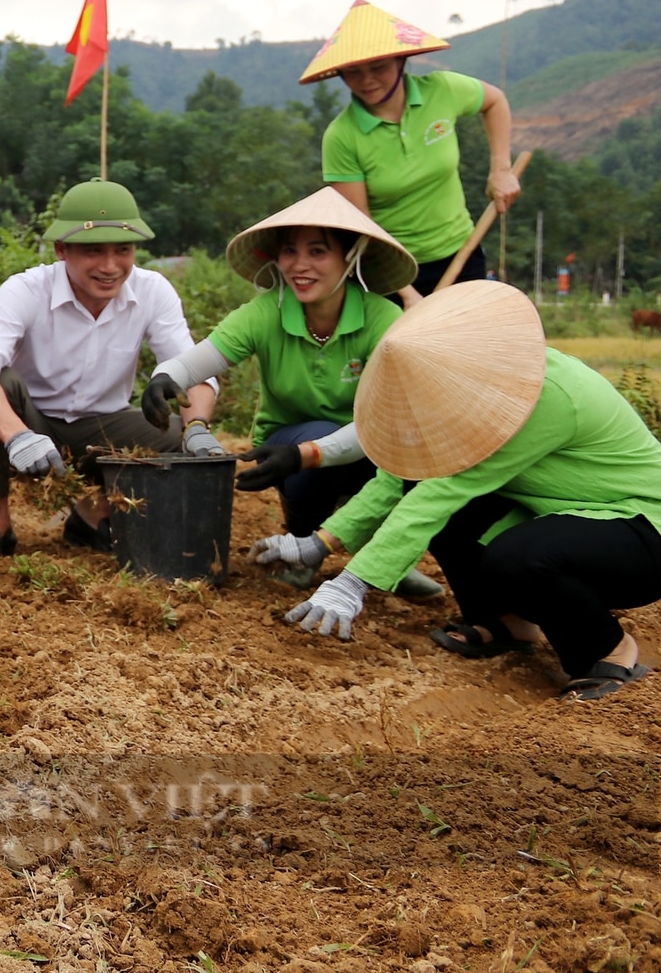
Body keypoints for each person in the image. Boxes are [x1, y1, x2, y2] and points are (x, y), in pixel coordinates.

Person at [282, 282, 661, 701]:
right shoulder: (471, 397)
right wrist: (321, 542)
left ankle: (609, 649)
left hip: (640, 530)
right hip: (573, 513)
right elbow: (401, 478)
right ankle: (509, 622)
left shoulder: (544, 393)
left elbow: (442, 490)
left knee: (519, 556)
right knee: (433, 492)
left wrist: (354, 582)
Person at [154, 187, 440, 598]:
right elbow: (196, 361)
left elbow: (386, 423)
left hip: (370, 442)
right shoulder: (266, 311)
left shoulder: (382, 319)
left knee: (406, 458)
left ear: (350, 257)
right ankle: (303, 544)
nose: (299, 266)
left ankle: (383, 556)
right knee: (315, 435)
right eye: (289, 251)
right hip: (287, 447)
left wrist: (311, 453)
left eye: (318, 252)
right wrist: (165, 378)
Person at [0, 179, 222, 559]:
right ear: (62, 250)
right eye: (94, 252)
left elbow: (193, 368)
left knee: (178, 433)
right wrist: (17, 436)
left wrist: (198, 428)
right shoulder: (26, 290)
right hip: (34, 423)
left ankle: (92, 514)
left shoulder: (153, 291)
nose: (110, 266)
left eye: (123, 250)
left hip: (104, 427)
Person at [304, 0, 521, 300]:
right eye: (353, 72)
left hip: (462, 253)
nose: (367, 81)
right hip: (392, 272)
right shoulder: (341, 136)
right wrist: (406, 294)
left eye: (378, 67)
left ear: (400, 61)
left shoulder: (442, 90)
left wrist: (501, 170)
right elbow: (360, 226)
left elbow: (495, 101)